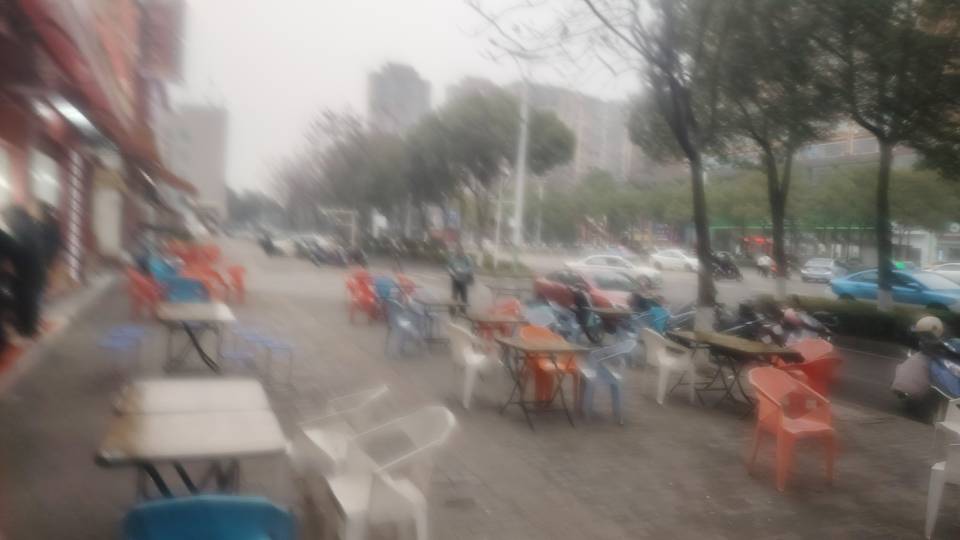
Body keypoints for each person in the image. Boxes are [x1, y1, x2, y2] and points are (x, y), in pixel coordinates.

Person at [447, 244, 473, 313]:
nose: (458, 252)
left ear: (462, 250)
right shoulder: (453, 257)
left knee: (464, 296)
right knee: (454, 296)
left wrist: (463, 270)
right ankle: (452, 311)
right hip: (455, 279)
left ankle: (463, 311)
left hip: (464, 280)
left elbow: (470, 268)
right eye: (457, 250)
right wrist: (451, 272)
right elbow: (448, 266)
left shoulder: (467, 258)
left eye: (460, 251)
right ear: (456, 251)